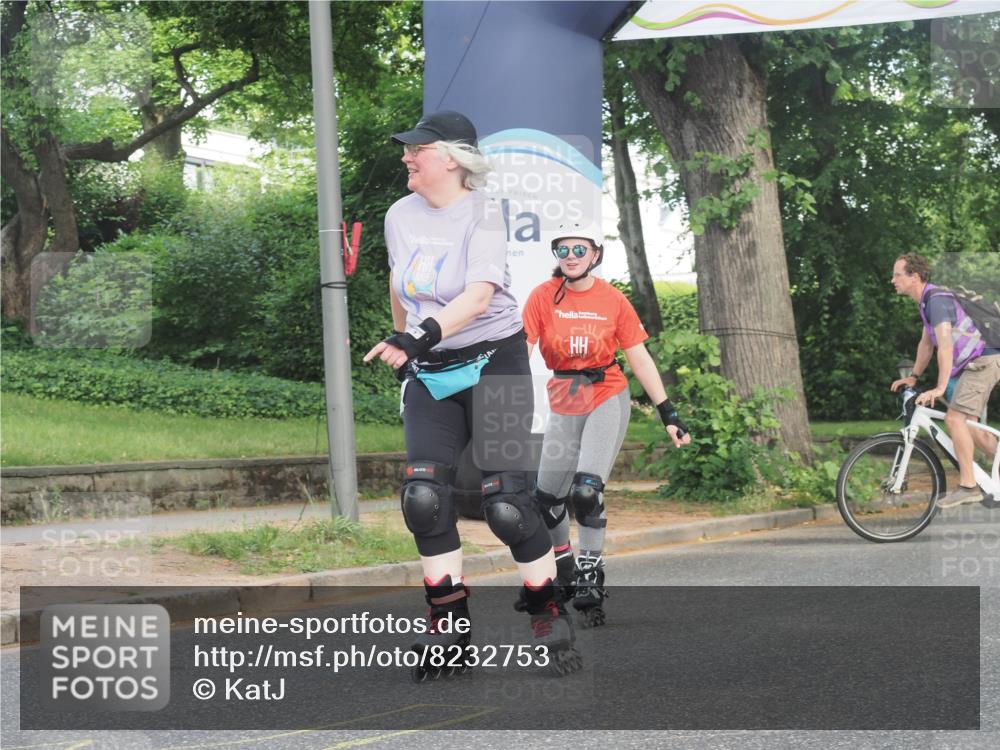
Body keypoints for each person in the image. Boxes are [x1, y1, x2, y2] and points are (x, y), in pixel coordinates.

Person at [364, 110, 579, 677]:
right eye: (406, 149)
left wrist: (417, 336)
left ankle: (545, 606)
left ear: (454, 159)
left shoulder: (483, 215)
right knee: (423, 498)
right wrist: (407, 350)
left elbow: (480, 298)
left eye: (418, 149)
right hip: (430, 370)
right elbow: (399, 285)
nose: (406, 156)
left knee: (507, 504)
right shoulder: (399, 214)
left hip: (496, 363)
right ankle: (449, 628)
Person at [521, 221, 691, 626]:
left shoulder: (613, 300)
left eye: (580, 250)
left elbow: (639, 358)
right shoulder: (543, 297)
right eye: (564, 250)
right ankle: (564, 569)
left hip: (605, 396)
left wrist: (668, 411)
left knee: (585, 491)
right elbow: (518, 351)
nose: (572, 258)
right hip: (564, 399)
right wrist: (492, 404)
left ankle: (591, 576)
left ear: (595, 254)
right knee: (547, 501)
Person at [890, 253, 1000, 508]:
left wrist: (939, 387)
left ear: (914, 276)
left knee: (954, 419)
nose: (892, 279)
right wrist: (914, 377)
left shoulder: (936, 300)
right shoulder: (928, 300)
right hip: (978, 362)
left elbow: (946, 346)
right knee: (971, 428)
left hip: (984, 360)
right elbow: (927, 343)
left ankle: (968, 486)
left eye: (897, 274)